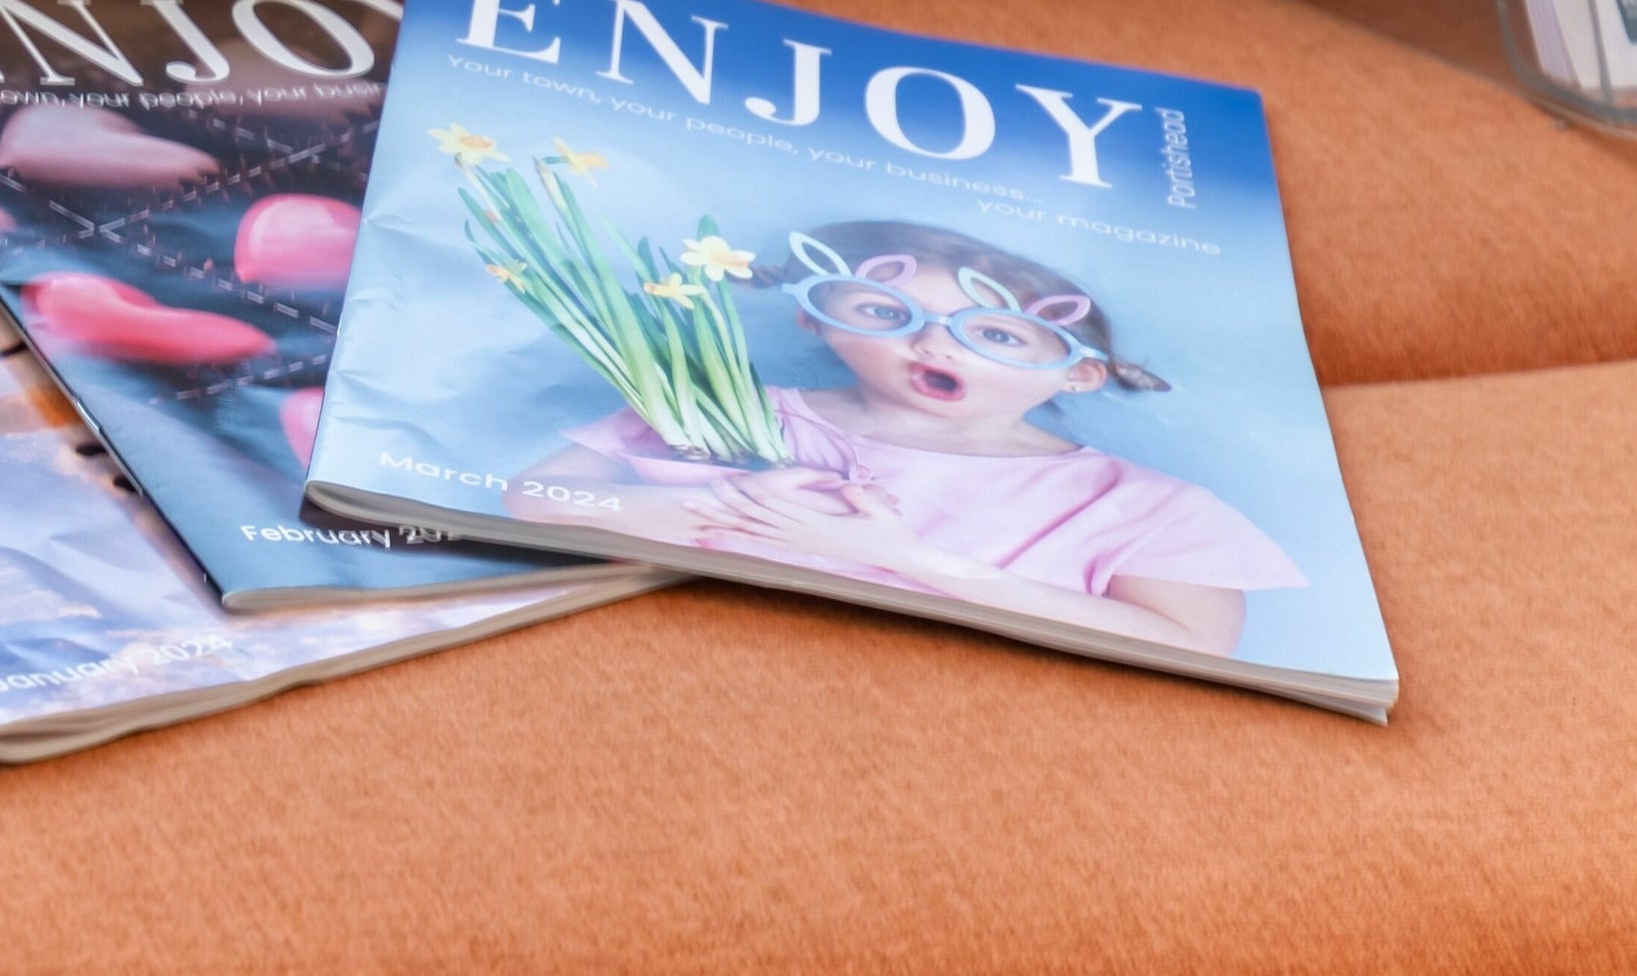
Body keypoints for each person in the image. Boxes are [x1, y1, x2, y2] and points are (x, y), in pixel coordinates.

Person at [507, 223, 1304, 657]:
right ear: (817, 321)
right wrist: (724, 508)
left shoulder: (1144, 506)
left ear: (1078, 374)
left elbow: (1195, 646)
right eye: (888, 315)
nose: (936, 345)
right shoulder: (720, 408)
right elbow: (531, 499)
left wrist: (907, 558)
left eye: (996, 333)